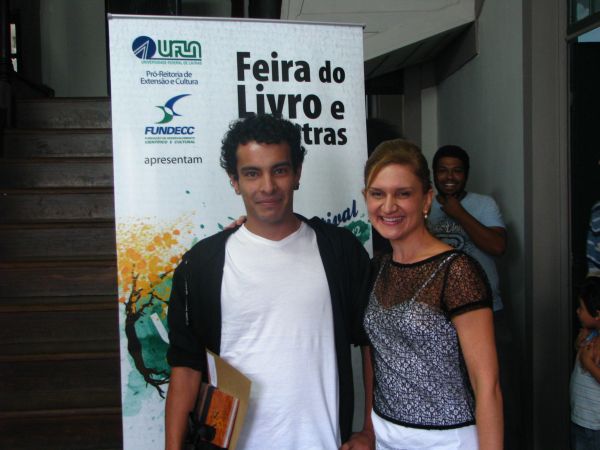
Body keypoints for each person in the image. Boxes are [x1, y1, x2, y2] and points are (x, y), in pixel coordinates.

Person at [164, 114, 373, 450]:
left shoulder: (340, 251)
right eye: (252, 173)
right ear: (234, 181)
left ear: (297, 173)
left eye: (279, 170)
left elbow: (372, 343)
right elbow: (186, 368)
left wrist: (370, 430)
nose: (267, 187)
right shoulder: (201, 265)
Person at [361, 139, 503, 449]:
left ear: (426, 200)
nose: (388, 206)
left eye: (403, 193)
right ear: (365, 198)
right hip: (385, 434)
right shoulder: (377, 268)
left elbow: (487, 385)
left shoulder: (457, 271)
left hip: (446, 440)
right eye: (378, 194)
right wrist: (369, 431)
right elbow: (374, 353)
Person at [427, 145, 506, 312]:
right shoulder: (424, 206)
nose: (450, 177)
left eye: (457, 171)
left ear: (466, 174)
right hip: (438, 309)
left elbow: (498, 247)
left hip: (484, 306)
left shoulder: (484, 204)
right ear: (434, 173)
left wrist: (460, 213)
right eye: (442, 170)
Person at [570, 276, 600, 450]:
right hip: (581, 418)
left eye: (581, 308)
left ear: (597, 314)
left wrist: (589, 364)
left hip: (595, 425)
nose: (578, 312)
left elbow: (587, 365)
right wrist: (579, 345)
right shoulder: (591, 334)